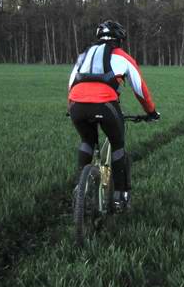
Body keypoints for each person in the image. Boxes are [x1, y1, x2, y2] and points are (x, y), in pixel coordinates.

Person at [68, 20, 160, 211]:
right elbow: (140, 90)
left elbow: (72, 84)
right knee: (118, 146)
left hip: (77, 105)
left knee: (87, 141)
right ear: (119, 40)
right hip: (105, 105)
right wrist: (151, 112)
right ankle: (120, 196)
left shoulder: (83, 56)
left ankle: (81, 188)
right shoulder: (123, 57)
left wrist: (73, 108)